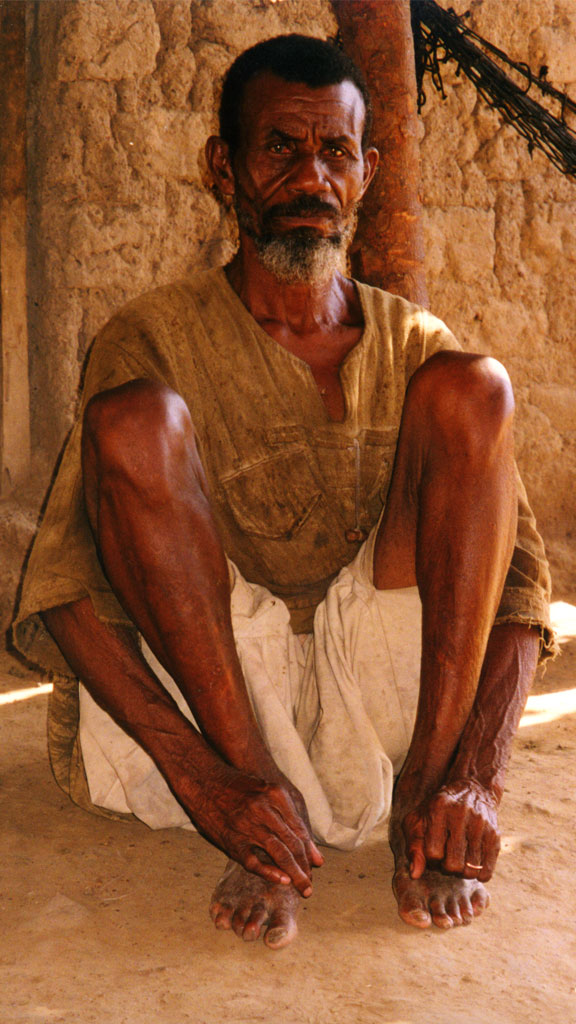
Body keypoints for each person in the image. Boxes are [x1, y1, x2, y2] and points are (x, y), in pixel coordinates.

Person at [13, 35, 554, 951]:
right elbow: (65, 591)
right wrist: (206, 776)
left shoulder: (413, 339)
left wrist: (475, 776)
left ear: (367, 172)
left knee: (478, 389)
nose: (312, 177)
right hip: (216, 690)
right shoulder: (150, 334)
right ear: (223, 169)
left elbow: (521, 592)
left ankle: (419, 795)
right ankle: (263, 824)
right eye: (280, 148)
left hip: (385, 696)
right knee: (134, 421)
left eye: (335, 152)